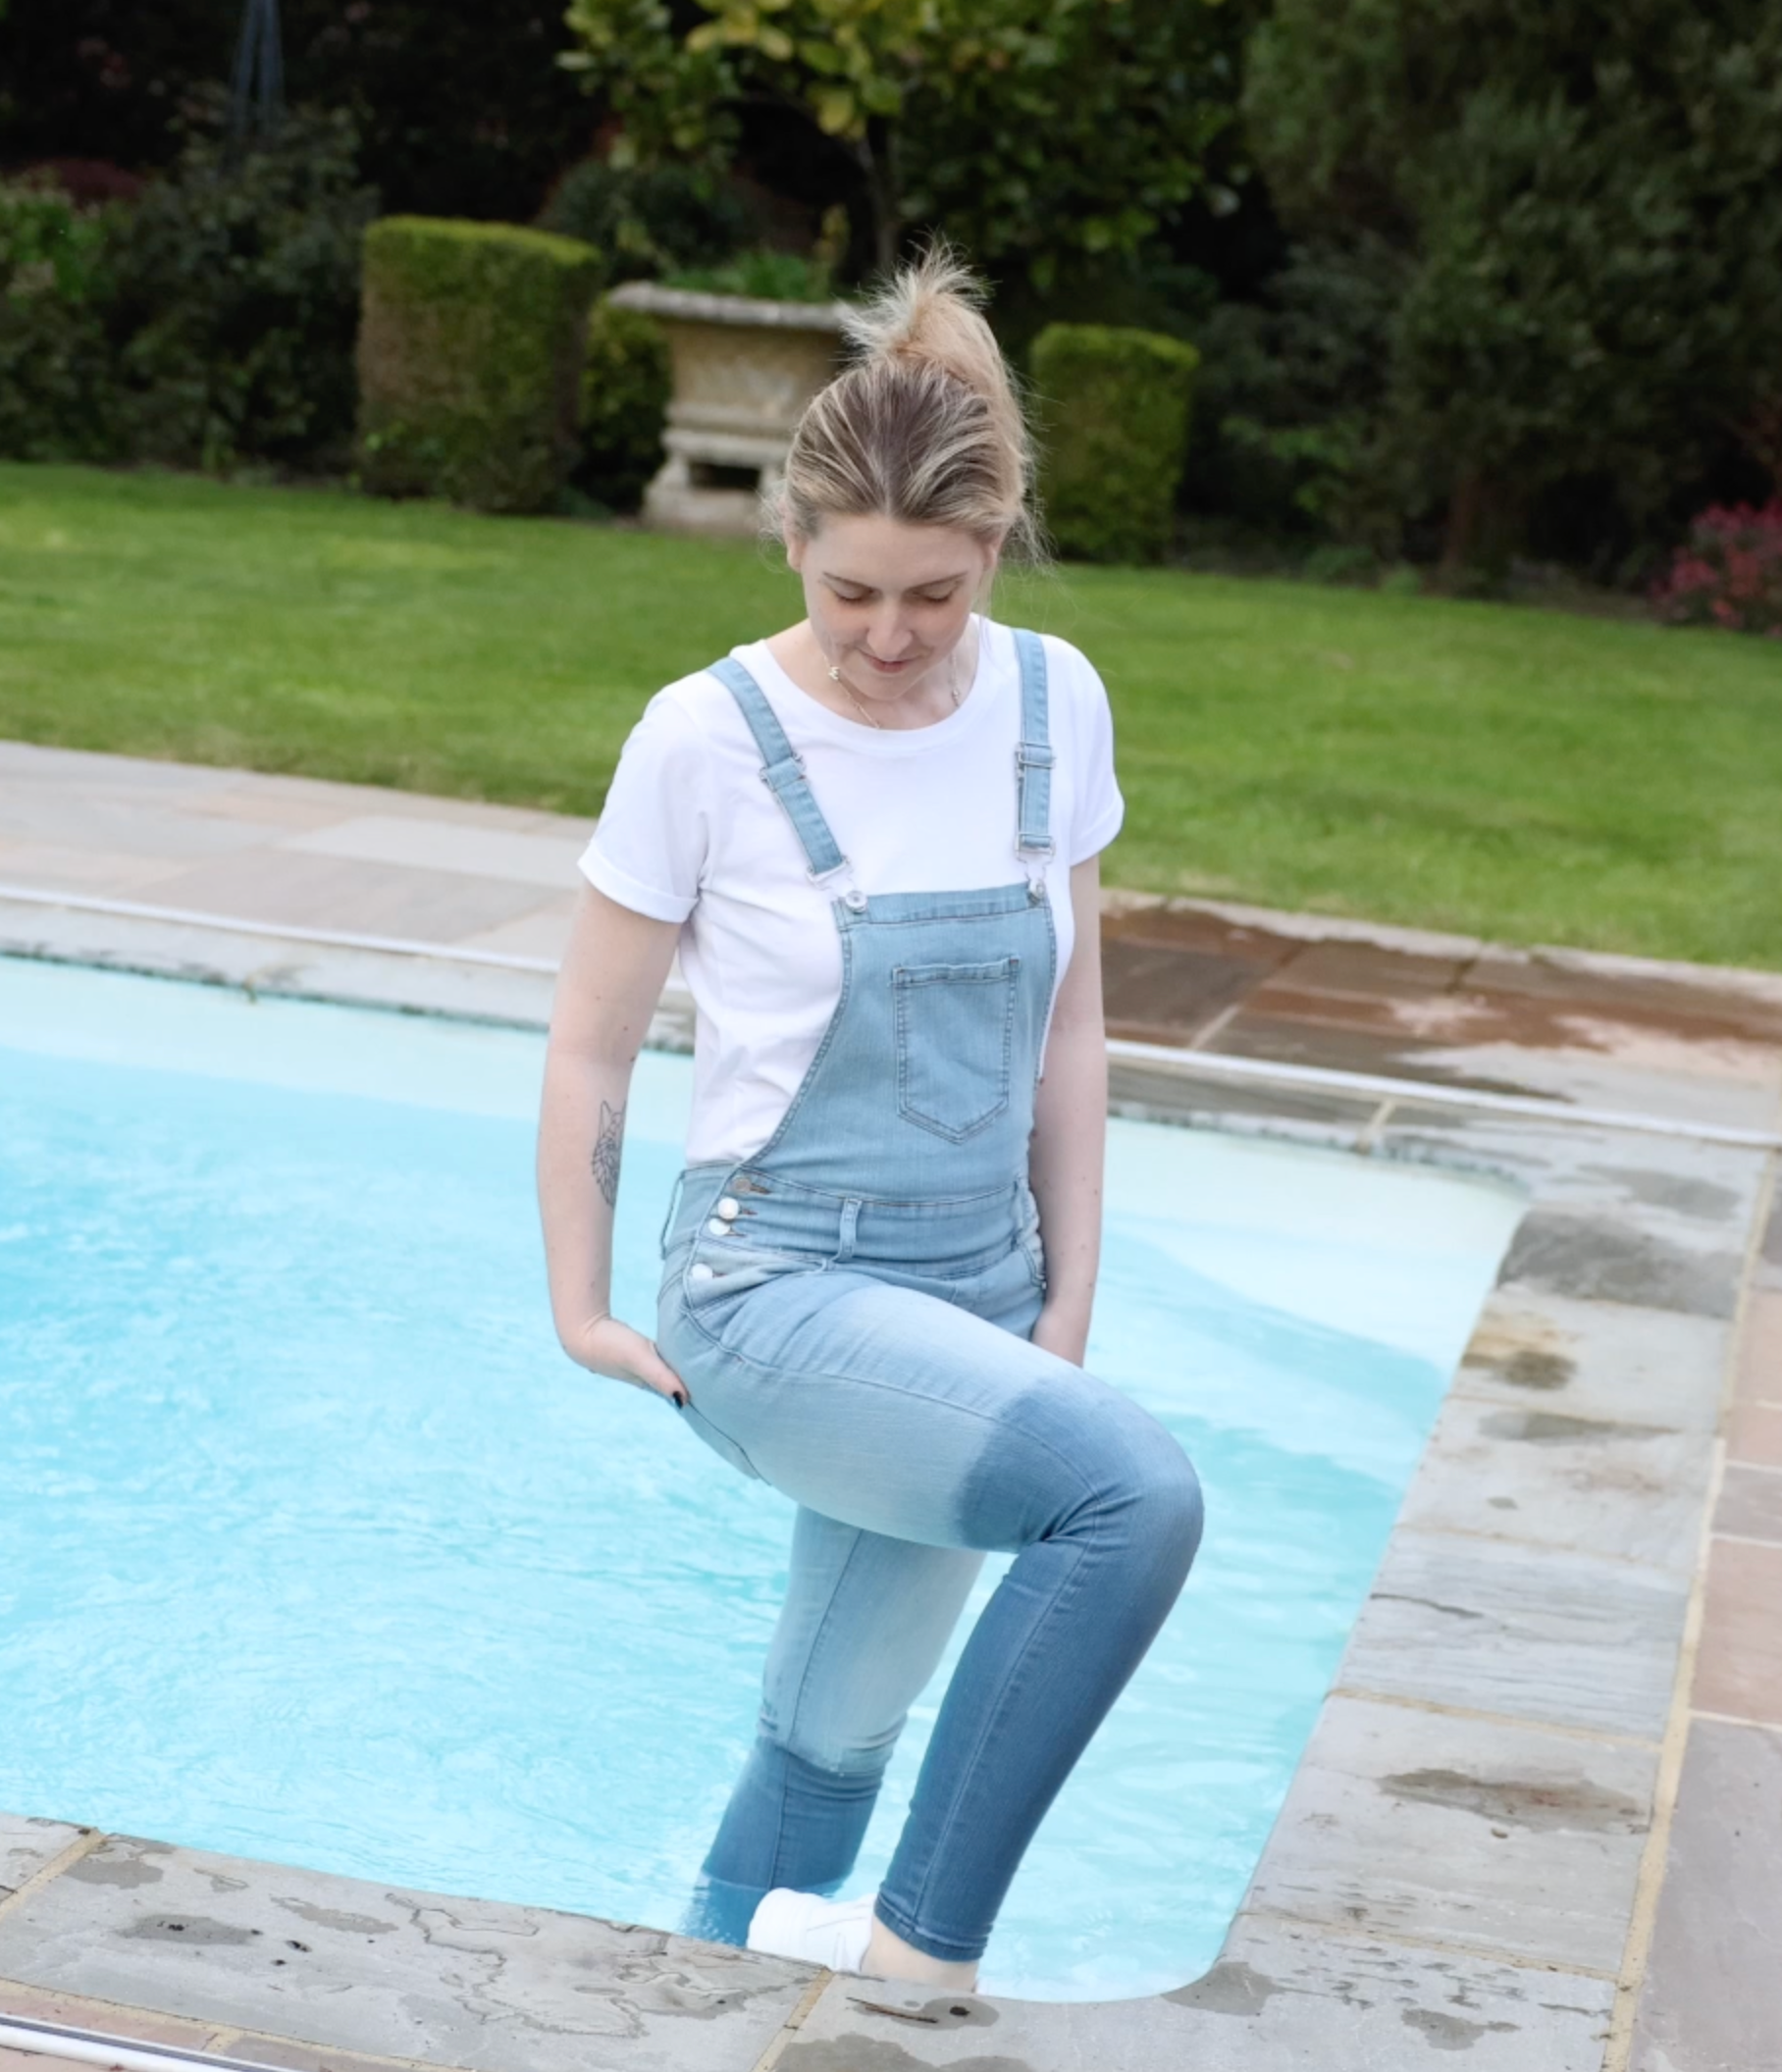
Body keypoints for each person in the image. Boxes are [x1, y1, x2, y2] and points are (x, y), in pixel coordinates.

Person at [533, 250, 1204, 1992]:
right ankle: (919, 1962)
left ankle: (686, 2015)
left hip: (980, 1291)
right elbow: (591, 1051)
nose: (893, 638)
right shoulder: (703, 737)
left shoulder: (1060, 702)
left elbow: (1070, 1021)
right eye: (852, 594)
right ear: (791, 545)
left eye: (935, 593)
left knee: (829, 1740)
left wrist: (1065, 1298)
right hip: (777, 1290)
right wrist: (583, 1305)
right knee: (1132, 1500)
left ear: (995, 549)